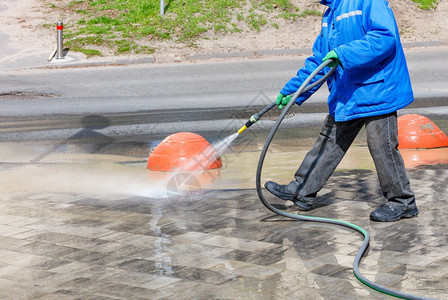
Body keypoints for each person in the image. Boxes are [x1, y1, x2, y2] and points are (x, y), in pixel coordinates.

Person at [265, 0, 418, 222]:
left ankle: (403, 202)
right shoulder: (330, 13)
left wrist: (343, 53)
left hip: (378, 89)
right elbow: (320, 61)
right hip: (349, 92)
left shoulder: (368, 2)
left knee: (381, 145)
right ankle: (301, 190)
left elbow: (385, 38)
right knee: (329, 140)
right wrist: (294, 92)